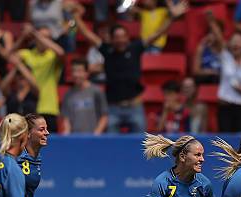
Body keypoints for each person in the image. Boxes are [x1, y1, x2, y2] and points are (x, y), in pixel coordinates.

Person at [73, 1, 187, 133]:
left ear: (127, 37)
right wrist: (76, 17)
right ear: (111, 39)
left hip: (135, 106)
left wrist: (171, 18)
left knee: (140, 147)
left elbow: (158, 33)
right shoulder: (107, 50)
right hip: (113, 108)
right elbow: (87, 34)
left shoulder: (135, 48)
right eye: (117, 37)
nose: (121, 40)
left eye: (123, 37)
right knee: (112, 146)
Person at [210, 26, 241, 133]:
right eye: (233, 41)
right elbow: (219, 39)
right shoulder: (225, 57)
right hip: (225, 106)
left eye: (238, 41)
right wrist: (212, 22)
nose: (236, 44)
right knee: (225, 142)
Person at [15, 24, 65, 132]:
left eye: (46, 38)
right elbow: (9, 56)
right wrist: (23, 37)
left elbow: (61, 52)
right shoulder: (27, 54)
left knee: (50, 145)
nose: (42, 40)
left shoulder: (52, 56)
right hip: (30, 107)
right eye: (41, 37)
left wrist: (35, 33)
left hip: (49, 108)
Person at [60, 58, 108, 135]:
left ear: (86, 73)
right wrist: (67, 136)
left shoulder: (96, 91)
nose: (75, 74)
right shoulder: (68, 94)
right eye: (73, 71)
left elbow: (104, 116)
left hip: (93, 138)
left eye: (79, 71)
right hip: (75, 139)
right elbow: (66, 119)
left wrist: (96, 134)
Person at [192, 12, 223, 84]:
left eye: (215, 33)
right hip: (205, 79)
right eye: (211, 32)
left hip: (221, 80)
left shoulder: (224, 47)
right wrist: (211, 72)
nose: (213, 35)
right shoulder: (201, 48)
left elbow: (219, 39)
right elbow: (195, 71)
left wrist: (211, 22)